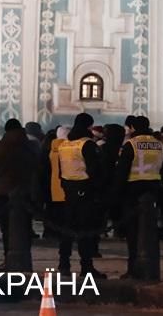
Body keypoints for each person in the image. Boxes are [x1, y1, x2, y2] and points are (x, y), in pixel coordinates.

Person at [113, 115, 163, 281]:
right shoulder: (158, 144)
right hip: (154, 188)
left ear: (133, 127)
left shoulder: (131, 144)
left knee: (133, 233)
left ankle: (134, 268)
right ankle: (149, 267)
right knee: (149, 231)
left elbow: (122, 171)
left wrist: (116, 192)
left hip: (133, 189)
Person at [57, 112, 105, 279]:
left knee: (67, 229)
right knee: (85, 230)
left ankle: (64, 263)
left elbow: (60, 170)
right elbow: (95, 170)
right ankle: (86, 266)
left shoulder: (64, 145)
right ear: (88, 126)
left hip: (68, 191)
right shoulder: (87, 144)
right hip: (86, 192)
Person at [0, 119, 35, 267]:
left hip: (4, 192)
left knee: (7, 229)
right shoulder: (30, 145)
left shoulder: (2, 146)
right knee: (25, 228)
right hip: (26, 191)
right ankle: (25, 259)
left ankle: (10, 259)